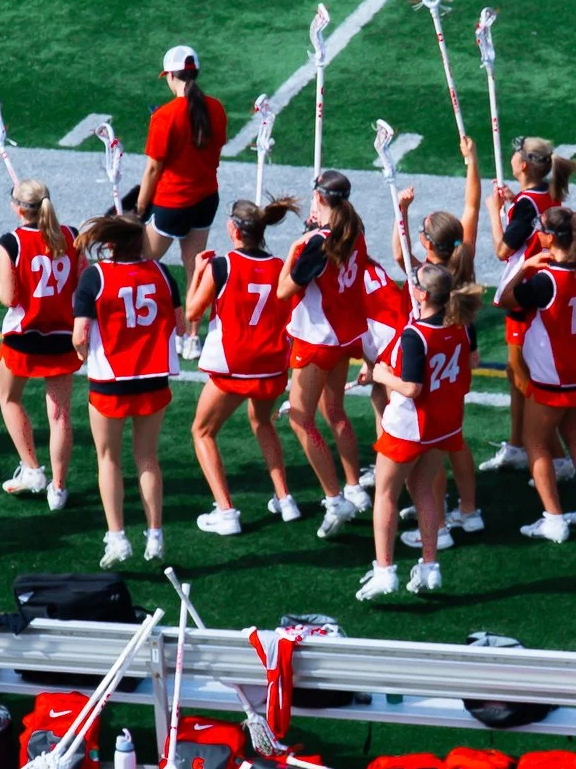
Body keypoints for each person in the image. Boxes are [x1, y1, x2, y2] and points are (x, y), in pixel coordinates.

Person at [356, 264, 480, 600]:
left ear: (423, 294)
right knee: (424, 487)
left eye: (414, 283)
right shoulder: (463, 325)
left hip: (410, 426)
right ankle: (429, 565)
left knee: (385, 495)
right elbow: (470, 361)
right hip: (446, 422)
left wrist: (382, 375)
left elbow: (411, 388)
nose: (409, 285)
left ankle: (384, 570)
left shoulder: (415, 335)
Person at [388, 137, 488, 540]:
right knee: (454, 440)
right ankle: (469, 509)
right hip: (459, 356)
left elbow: (398, 255)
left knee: (431, 447)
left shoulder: (423, 276)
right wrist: (472, 163)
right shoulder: (463, 260)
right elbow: (473, 208)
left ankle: (439, 522)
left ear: (427, 244)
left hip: (427, 361)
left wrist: (401, 210)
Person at [183, 197, 300, 535]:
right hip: (272, 365)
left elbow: (192, 312)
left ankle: (226, 510)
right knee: (262, 421)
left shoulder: (222, 266)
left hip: (233, 367)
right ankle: (285, 498)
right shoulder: (280, 265)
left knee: (202, 432)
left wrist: (198, 270)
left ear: (233, 229)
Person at [73, 213, 183, 568]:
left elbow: (80, 336)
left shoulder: (95, 277)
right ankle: (155, 535)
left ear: (110, 243)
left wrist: (83, 354)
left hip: (110, 381)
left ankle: (117, 536)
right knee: (147, 457)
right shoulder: (163, 273)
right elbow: (179, 325)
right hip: (153, 377)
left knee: (109, 458)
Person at [494, 207, 576, 544]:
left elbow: (503, 299)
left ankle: (554, 518)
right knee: (575, 438)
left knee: (536, 444)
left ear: (548, 237)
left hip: (552, 377)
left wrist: (523, 267)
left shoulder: (545, 280)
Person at [276, 171, 371, 538]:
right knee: (334, 411)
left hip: (316, 339)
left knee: (300, 418)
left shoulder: (317, 242)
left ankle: (336, 499)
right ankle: (353, 485)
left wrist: (293, 247)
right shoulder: (354, 230)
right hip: (344, 335)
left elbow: (285, 290)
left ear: (319, 198)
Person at [482, 137, 575, 476]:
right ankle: (518, 444)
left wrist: (494, 212)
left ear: (522, 165)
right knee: (515, 372)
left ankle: (555, 455)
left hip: (526, 291)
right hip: (538, 288)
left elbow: (503, 250)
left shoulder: (525, 205)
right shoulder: (544, 195)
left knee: (522, 375)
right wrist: (511, 202)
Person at [0, 180, 82, 509]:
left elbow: (9, 297)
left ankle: (32, 469)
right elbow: (80, 281)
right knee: (59, 415)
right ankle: (58, 489)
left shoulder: (11, 242)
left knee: (9, 398)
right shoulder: (71, 236)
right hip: (62, 336)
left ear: (18, 208)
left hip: (24, 337)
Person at [136, 46, 229, 358]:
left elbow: (153, 169)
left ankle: (146, 324)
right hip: (206, 199)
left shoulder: (164, 117)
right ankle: (191, 338)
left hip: (173, 203)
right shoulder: (216, 109)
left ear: (171, 76)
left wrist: (139, 207)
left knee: (140, 262)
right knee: (195, 269)